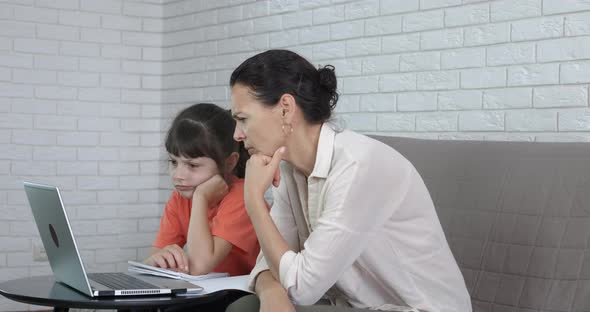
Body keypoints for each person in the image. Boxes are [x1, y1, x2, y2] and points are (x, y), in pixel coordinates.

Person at [225, 50, 472, 312]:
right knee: (247, 306)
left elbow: (302, 286)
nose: (237, 134)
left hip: (419, 309)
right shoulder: (290, 168)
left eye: (243, 119)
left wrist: (253, 200)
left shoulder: (358, 165)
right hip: (356, 307)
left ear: (286, 109)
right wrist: (272, 292)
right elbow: (272, 259)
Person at [144, 103, 260, 278]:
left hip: (239, 295)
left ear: (229, 163)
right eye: (174, 162)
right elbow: (153, 258)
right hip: (205, 291)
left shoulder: (241, 197)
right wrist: (156, 261)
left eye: (192, 165)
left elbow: (199, 266)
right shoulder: (180, 198)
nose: (178, 175)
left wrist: (201, 198)